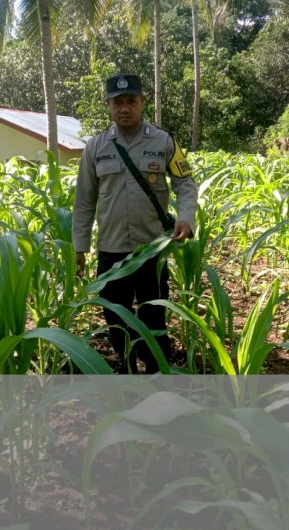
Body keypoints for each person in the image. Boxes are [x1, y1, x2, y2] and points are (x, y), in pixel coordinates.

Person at [72, 72, 198, 373]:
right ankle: (127, 373)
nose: (124, 108)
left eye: (131, 101)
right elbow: (84, 201)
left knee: (153, 316)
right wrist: (80, 246)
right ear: (108, 105)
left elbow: (185, 184)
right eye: (117, 102)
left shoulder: (164, 141)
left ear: (142, 102)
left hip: (150, 251)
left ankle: (157, 374)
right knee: (114, 317)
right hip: (111, 251)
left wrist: (185, 218)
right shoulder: (95, 147)